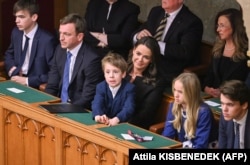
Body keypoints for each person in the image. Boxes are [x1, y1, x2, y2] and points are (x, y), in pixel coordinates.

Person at [133, 0, 203, 86]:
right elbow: (139, 31)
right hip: (145, 65)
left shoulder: (192, 22)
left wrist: (154, 44)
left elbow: (185, 52)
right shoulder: (156, 11)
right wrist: (138, 36)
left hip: (167, 71)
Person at [45, 13, 104, 110]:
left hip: (79, 110)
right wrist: (45, 105)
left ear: (80, 36)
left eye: (66, 34)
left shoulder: (92, 59)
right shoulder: (59, 50)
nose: (61, 38)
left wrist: (65, 109)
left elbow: (87, 97)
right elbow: (52, 85)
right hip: (59, 105)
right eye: (60, 33)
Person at [4, 0, 58, 89]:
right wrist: (13, 70)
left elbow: (54, 72)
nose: (16, 21)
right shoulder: (16, 32)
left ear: (34, 17)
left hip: (35, 86)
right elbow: (9, 54)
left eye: (21, 17)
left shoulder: (47, 40)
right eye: (16, 17)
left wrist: (27, 81)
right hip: (15, 80)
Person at [162, 72, 218, 149]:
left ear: (191, 93)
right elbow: (168, 135)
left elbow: (201, 145)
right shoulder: (173, 106)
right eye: (175, 90)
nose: (176, 95)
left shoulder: (203, 112)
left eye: (180, 92)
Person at [203, 8, 249, 98]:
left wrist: (225, 94)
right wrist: (206, 88)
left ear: (235, 26)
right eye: (218, 25)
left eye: (222, 25)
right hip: (212, 97)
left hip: (234, 99)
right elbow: (209, 75)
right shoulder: (217, 48)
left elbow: (245, 85)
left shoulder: (246, 52)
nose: (218, 29)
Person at [126, 36, 166, 130]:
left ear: (152, 59)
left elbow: (144, 115)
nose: (140, 59)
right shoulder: (121, 68)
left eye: (146, 57)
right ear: (133, 50)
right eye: (138, 53)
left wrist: (120, 122)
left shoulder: (157, 83)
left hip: (133, 127)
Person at [92, 52, 135, 126]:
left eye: (115, 72)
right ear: (104, 74)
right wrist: (98, 115)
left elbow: (129, 108)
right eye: (107, 72)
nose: (111, 76)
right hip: (104, 122)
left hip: (121, 124)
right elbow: (97, 103)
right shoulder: (101, 87)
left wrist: (117, 119)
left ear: (123, 74)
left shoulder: (129, 88)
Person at [218, 80, 250, 149]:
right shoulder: (224, 118)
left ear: (244, 105)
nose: (224, 109)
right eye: (222, 103)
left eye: (230, 105)